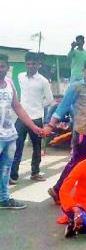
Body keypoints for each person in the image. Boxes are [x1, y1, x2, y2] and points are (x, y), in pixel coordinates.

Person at [44, 58, 86, 205]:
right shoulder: (76, 87)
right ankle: (57, 189)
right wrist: (50, 125)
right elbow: (63, 107)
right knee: (76, 164)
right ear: (84, 71)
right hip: (82, 132)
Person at [0, 54, 44, 209]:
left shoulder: (9, 83)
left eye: (2, 66)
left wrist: (33, 126)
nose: (0, 69)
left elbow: (17, 107)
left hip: (8, 134)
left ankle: (3, 198)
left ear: (7, 68)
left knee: (5, 169)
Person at [10, 52, 53, 184]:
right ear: (26, 64)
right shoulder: (20, 76)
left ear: (38, 64)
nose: (31, 66)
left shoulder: (43, 81)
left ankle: (35, 173)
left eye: (33, 63)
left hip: (36, 117)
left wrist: (39, 105)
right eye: (28, 63)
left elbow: (50, 100)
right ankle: (13, 176)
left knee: (36, 147)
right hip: (22, 117)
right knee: (17, 146)